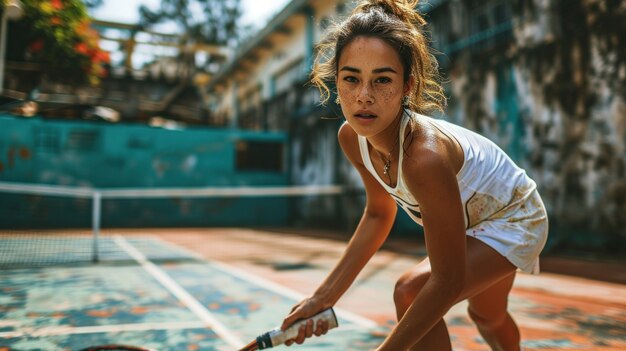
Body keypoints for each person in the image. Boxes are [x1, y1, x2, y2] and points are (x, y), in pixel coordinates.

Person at [279, 0, 549, 350]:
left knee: (418, 293)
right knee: (485, 315)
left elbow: (447, 281)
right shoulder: (352, 137)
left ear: (408, 85)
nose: (364, 96)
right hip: (469, 218)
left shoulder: (424, 159)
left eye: (382, 80)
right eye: (351, 79)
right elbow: (379, 212)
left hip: (515, 215)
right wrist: (323, 297)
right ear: (336, 81)